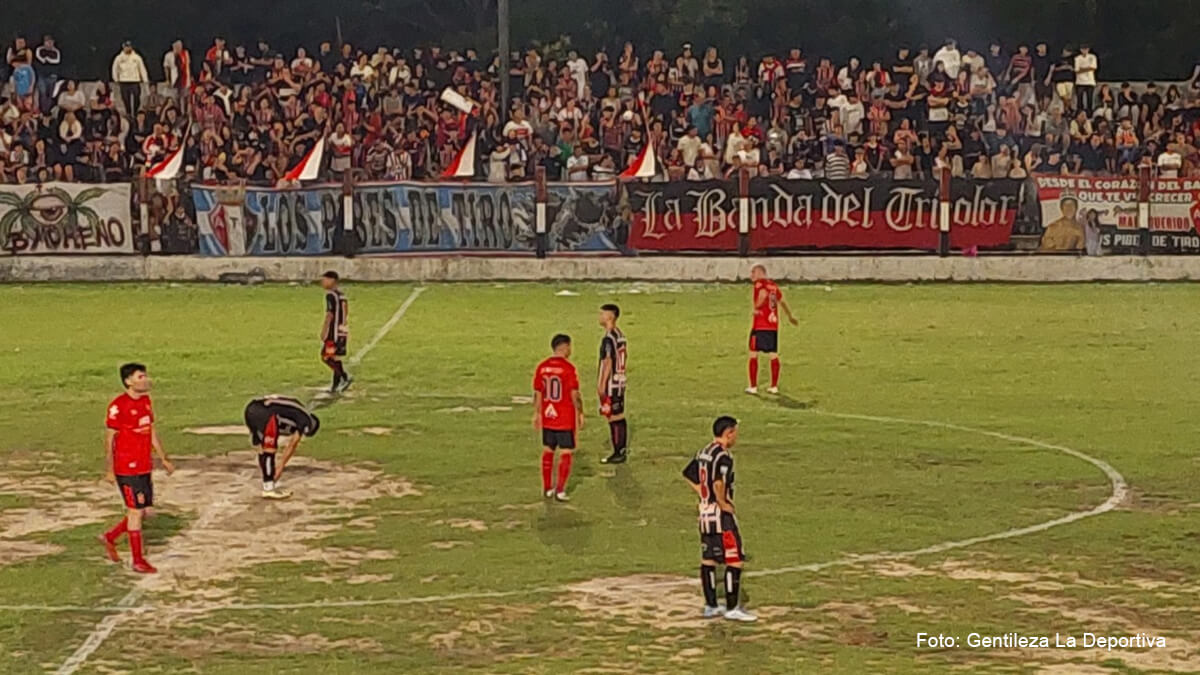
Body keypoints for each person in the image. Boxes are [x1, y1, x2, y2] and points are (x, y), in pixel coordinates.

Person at [99, 363, 175, 574]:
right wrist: (110, 469)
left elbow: (150, 432)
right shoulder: (118, 406)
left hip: (144, 465)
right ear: (128, 381)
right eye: (141, 377)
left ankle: (110, 537)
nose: (146, 380)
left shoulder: (146, 402)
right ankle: (137, 560)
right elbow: (110, 439)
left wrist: (163, 458)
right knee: (135, 511)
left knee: (144, 510)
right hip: (127, 467)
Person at [682, 415, 756, 622]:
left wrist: (702, 494)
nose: (736, 437)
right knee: (735, 559)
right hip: (719, 513)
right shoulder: (724, 457)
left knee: (709, 558)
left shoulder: (704, 452)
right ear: (728, 433)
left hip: (705, 511)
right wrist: (723, 503)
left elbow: (689, 474)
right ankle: (732, 608)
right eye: (735, 433)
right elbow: (718, 482)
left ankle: (711, 605)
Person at [533, 334, 583, 502]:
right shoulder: (568, 369)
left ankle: (547, 488)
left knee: (548, 450)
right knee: (566, 452)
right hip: (564, 417)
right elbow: (574, 394)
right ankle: (560, 490)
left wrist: (537, 413)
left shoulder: (542, 367)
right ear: (565, 347)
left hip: (548, 416)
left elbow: (538, 392)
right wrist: (581, 412)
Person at [243, 395, 321, 499]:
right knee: (269, 449)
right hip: (266, 413)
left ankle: (268, 479)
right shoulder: (305, 419)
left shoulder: (296, 408)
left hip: (251, 408)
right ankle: (269, 488)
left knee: (261, 449)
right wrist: (281, 466)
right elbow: (293, 443)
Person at [746, 264, 798, 395]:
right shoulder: (774, 286)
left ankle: (753, 387)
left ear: (760, 273)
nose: (751, 275)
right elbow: (783, 301)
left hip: (760, 325)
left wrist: (757, 307)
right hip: (772, 326)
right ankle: (774, 386)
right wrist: (790, 316)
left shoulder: (760, 284)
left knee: (753, 353)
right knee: (773, 354)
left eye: (753, 272)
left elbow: (763, 295)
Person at [597, 304, 628, 465]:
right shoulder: (620, 335)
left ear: (610, 316)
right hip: (620, 380)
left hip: (611, 383)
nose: (599, 317)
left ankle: (618, 451)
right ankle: (620, 449)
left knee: (613, 416)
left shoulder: (609, 338)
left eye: (602, 314)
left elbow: (608, 361)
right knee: (618, 415)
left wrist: (601, 384)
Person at [320, 271, 353, 393]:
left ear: (332, 280)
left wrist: (324, 330)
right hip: (341, 330)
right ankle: (335, 384)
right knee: (335, 357)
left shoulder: (330, 295)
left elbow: (329, 314)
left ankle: (344, 377)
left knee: (326, 356)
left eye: (325, 280)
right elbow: (346, 310)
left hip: (333, 332)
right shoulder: (341, 295)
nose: (322, 282)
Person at [111, 41, 148, 117]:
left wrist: (145, 80)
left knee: (137, 98)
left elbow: (142, 68)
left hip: (135, 81)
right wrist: (116, 79)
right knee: (125, 99)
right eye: (126, 47)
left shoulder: (137, 57)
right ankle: (128, 113)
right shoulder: (119, 58)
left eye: (129, 46)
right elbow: (115, 69)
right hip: (124, 81)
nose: (128, 48)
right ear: (123, 47)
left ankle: (135, 112)